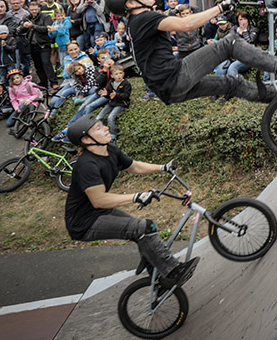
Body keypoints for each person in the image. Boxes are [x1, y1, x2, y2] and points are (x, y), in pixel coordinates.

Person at [104, 0, 277, 106]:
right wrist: (220, 7)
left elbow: (173, 25)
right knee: (228, 44)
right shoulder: (144, 18)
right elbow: (187, 24)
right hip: (174, 76)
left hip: (168, 90)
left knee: (232, 83)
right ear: (130, 3)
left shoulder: (136, 22)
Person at [64, 116, 197, 289]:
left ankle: (155, 273)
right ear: (86, 140)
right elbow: (99, 200)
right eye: (98, 128)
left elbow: (133, 166)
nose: (105, 128)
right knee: (140, 228)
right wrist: (136, 196)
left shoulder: (110, 150)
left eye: (102, 125)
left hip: (99, 212)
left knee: (147, 229)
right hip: (84, 222)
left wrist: (162, 168)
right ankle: (173, 271)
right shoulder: (86, 165)